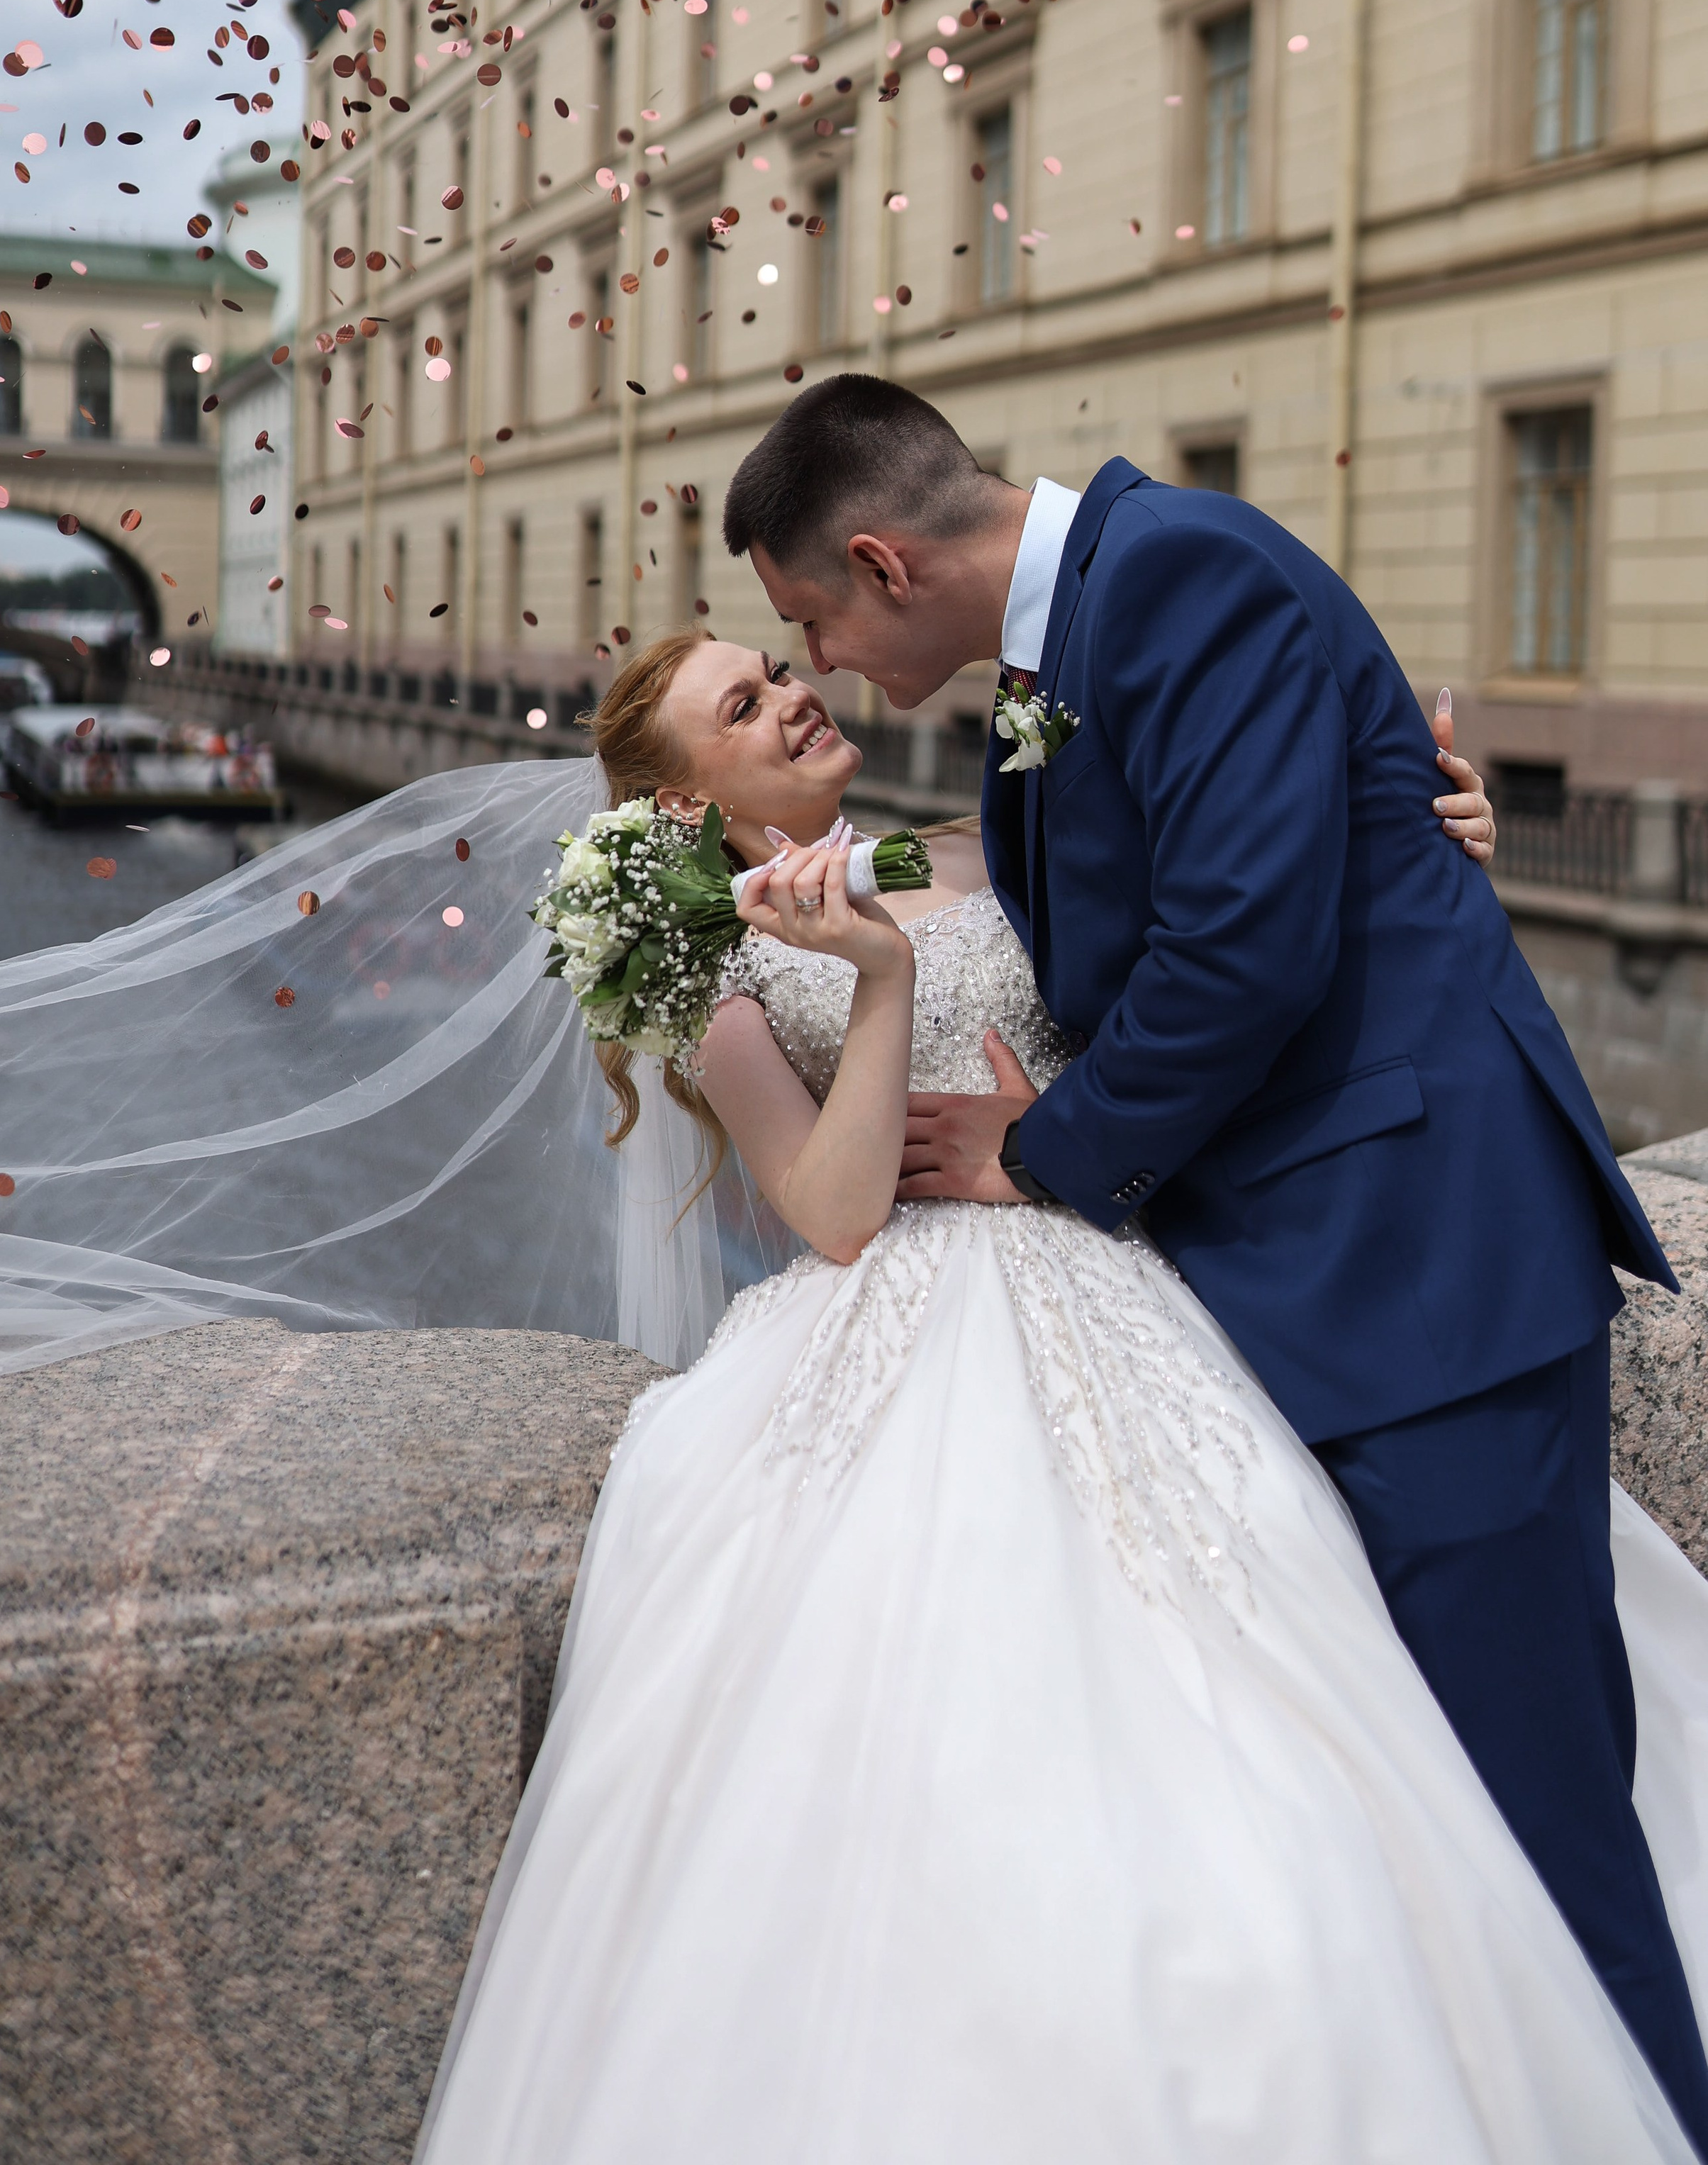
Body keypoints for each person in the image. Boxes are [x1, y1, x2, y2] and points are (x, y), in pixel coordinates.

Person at [413, 620, 1708, 2164]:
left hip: (1125, 1264)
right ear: (688, 806)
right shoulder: (710, 967)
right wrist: (878, 980)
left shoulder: (981, 836)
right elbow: (828, 1209)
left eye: (777, 664)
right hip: (912, 1310)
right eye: (743, 705)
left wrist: (1429, 844)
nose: (791, 695)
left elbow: (1230, 959)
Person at [711, 372, 1708, 2155]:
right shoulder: (1076, 639)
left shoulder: (1182, 578)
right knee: (1431, 1848)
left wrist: (1042, 1152)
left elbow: (1241, 946)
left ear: (878, 560)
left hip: (1418, 1276)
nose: (829, 671)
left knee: (1538, 1823)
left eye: (812, 626)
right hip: (1299, 1291)